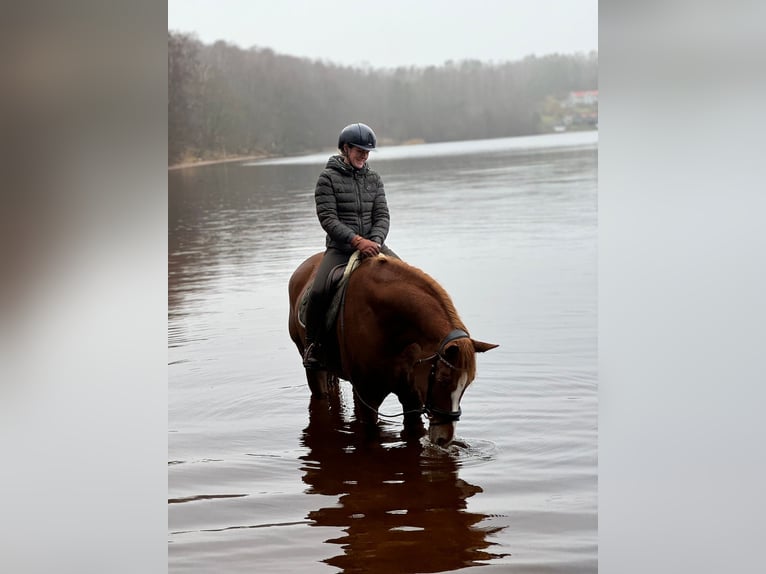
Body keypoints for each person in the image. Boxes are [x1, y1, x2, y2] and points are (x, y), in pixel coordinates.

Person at [302, 122, 390, 369]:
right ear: (346, 148)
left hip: (374, 245)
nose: (364, 155)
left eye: (367, 151)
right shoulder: (327, 178)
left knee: (406, 277)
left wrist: (375, 241)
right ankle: (313, 346)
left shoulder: (374, 179)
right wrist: (356, 241)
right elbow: (328, 219)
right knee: (319, 291)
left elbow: (382, 215)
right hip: (341, 249)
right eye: (359, 150)